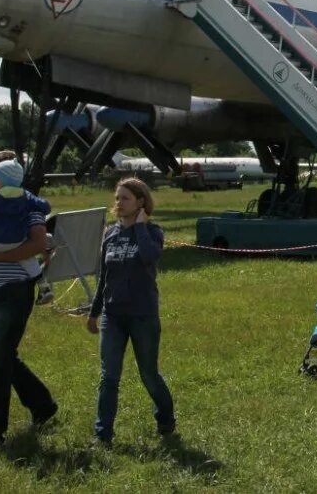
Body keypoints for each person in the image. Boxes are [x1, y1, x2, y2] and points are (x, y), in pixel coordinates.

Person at [0, 161, 58, 446]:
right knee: (3, 355)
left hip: (15, 289)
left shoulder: (28, 208)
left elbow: (38, 244)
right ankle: (43, 404)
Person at [86, 178, 175, 445]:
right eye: (117, 198)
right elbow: (104, 277)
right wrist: (94, 312)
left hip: (143, 315)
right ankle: (103, 435)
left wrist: (139, 227)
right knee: (109, 376)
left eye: (125, 198)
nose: (119, 203)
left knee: (148, 374)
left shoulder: (154, 232)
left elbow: (149, 256)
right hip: (113, 317)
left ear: (141, 201)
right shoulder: (110, 234)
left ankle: (166, 419)